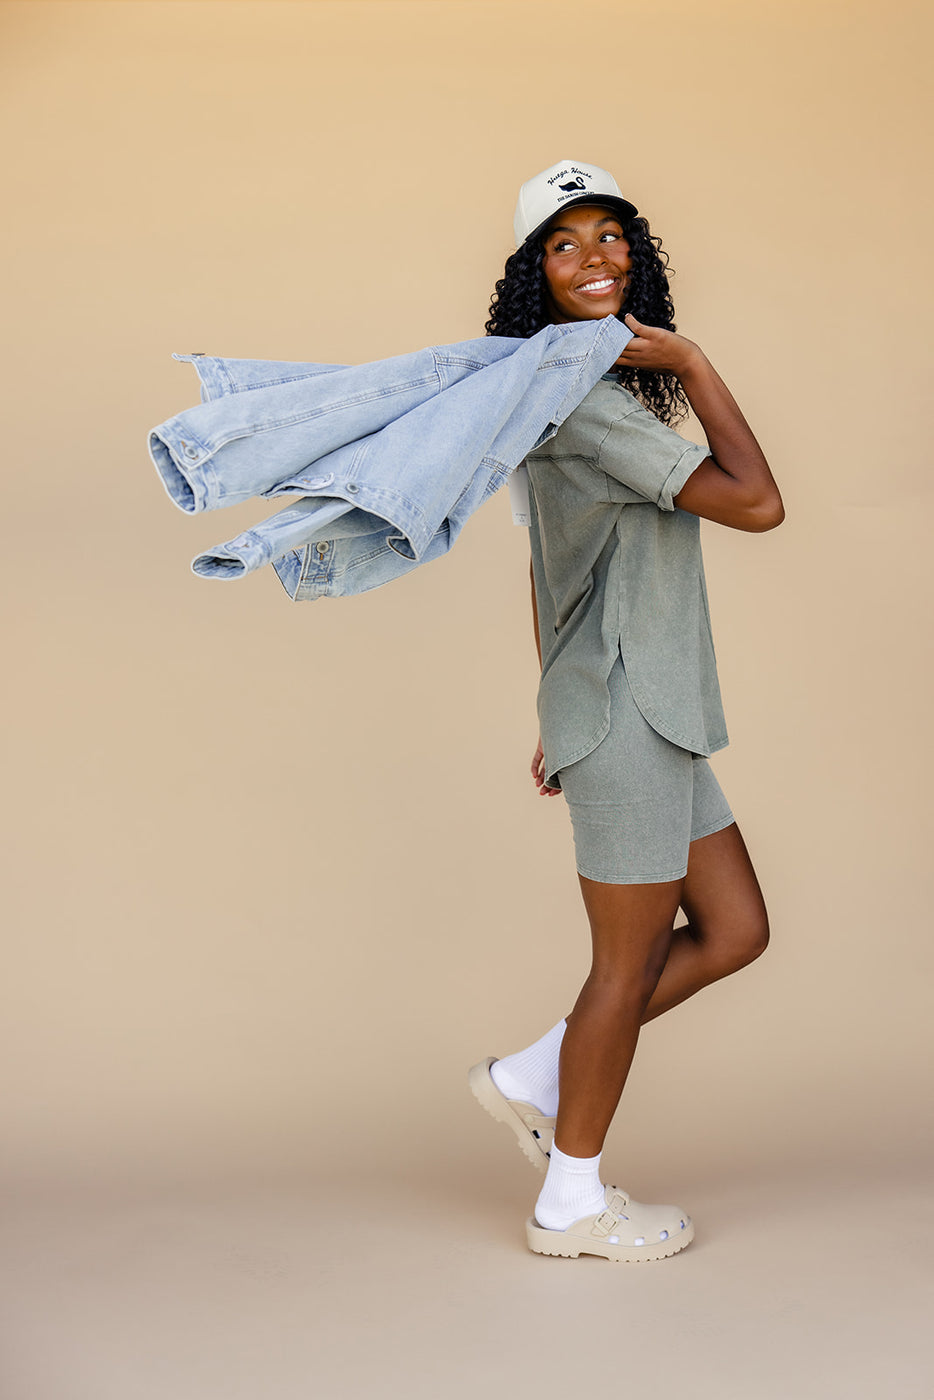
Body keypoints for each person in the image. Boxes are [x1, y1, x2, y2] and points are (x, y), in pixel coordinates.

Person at [469, 160, 784, 1263]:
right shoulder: (589, 407)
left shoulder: (564, 392)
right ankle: (570, 1201)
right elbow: (758, 502)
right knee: (624, 968)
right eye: (564, 244)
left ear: (634, 255)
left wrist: (551, 699)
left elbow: (545, 569)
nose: (594, 257)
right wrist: (691, 359)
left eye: (609, 236)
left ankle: (530, 1074)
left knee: (734, 928)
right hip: (627, 711)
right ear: (534, 276)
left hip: (644, 704)